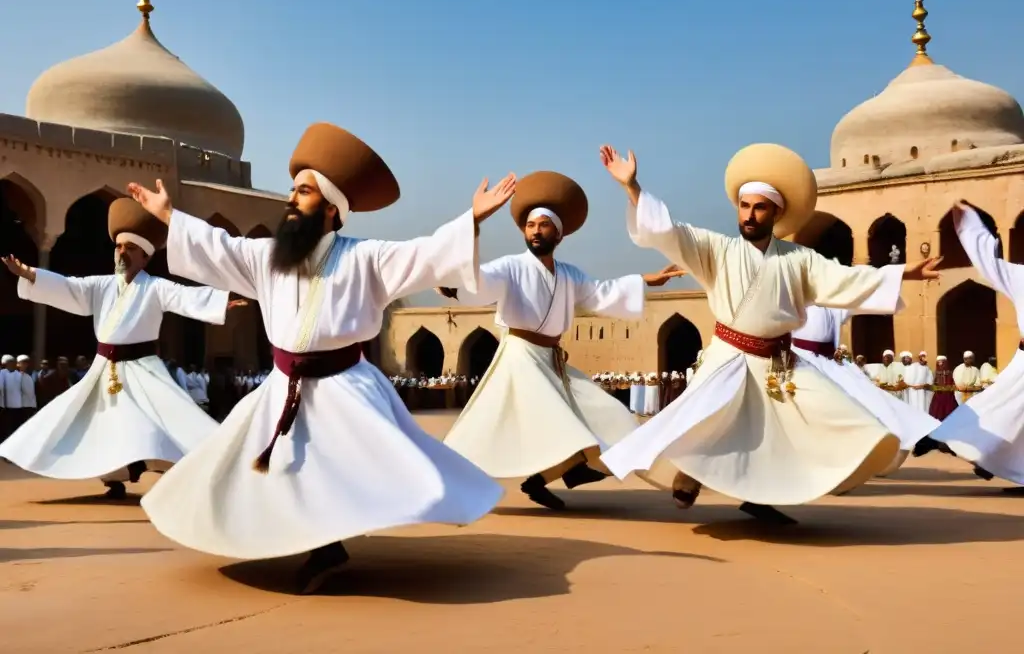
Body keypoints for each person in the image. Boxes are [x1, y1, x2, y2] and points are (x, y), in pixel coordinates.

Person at [129, 122, 512, 594]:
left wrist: (471, 220)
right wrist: (170, 216)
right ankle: (309, 541)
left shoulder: (366, 258)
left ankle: (327, 548)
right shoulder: (266, 255)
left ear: (332, 209)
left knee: (344, 466)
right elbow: (218, 248)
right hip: (282, 384)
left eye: (304, 192)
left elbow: (425, 254)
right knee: (252, 468)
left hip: (343, 383)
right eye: (293, 190)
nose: (292, 199)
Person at [597, 143, 941, 524]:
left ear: (776, 212)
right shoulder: (717, 250)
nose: (749, 214)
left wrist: (902, 272)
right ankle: (689, 474)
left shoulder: (799, 259)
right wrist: (633, 187)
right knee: (707, 419)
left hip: (779, 362)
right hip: (728, 357)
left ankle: (761, 496)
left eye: (759, 207)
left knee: (823, 417)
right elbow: (667, 232)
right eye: (744, 206)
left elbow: (844, 278)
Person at [439, 170, 683, 510]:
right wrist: (470, 236)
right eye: (530, 226)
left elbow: (603, 292)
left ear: (559, 234)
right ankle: (444, 485)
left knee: (612, 416)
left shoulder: (569, 275)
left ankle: (546, 478)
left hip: (552, 360)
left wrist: (646, 281)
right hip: (521, 359)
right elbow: (479, 282)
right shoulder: (510, 267)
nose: (536, 231)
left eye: (543, 225)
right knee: (544, 428)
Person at [0, 198, 244, 499]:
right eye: (119, 247)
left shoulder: (155, 286)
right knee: (101, 424)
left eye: (130, 249)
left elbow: (183, 296)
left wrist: (221, 301)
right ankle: (117, 477)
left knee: (159, 421)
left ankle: (173, 468)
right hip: (105, 369)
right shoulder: (101, 285)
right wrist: (31, 275)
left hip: (142, 367)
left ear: (144, 257)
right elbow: (69, 287)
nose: (122, 253)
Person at [914, 201, 1024, 491]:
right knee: (998, 408)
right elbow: (990, 260)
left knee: (1006, 412)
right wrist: (969, 223)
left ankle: (985, 457)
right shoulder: (1021, 276)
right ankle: (955, 440)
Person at [791, 305, 938, 478]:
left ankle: (907, 437)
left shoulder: (828, 299)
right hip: (800, 362)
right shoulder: (793, 295)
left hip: (829, 364)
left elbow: (858, 298)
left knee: (872, 404)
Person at [927, 356, 958, 421]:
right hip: (938, 396)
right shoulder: (935, 373)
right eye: (938, 362)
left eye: (941, 362)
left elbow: (953, 384)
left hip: (948, 396)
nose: (940, 364)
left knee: (950, 414)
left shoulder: (950, 373)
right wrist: (936, 388)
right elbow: (933, 384)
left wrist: (949, 388)